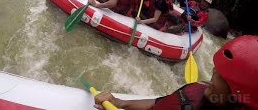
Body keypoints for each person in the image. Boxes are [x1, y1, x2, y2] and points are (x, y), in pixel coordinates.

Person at [93, 35, 258, 110]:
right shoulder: (197, 93)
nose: (212, 73)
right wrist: (119, 102)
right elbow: (157, 104)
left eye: (219, 75)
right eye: (216, 69)